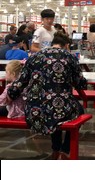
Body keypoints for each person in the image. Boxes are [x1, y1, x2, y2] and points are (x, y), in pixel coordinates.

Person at [7, 32, 87, 160]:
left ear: (51, 44)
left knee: (55, 110)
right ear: (66, 45)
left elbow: (20, 82)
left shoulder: (35, 56)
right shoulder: (70, 57)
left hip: (35, 109)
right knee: (75, 110)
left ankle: (55, 149)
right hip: (60, 107)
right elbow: (81, 83)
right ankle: (65, 150)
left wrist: (10, 95)